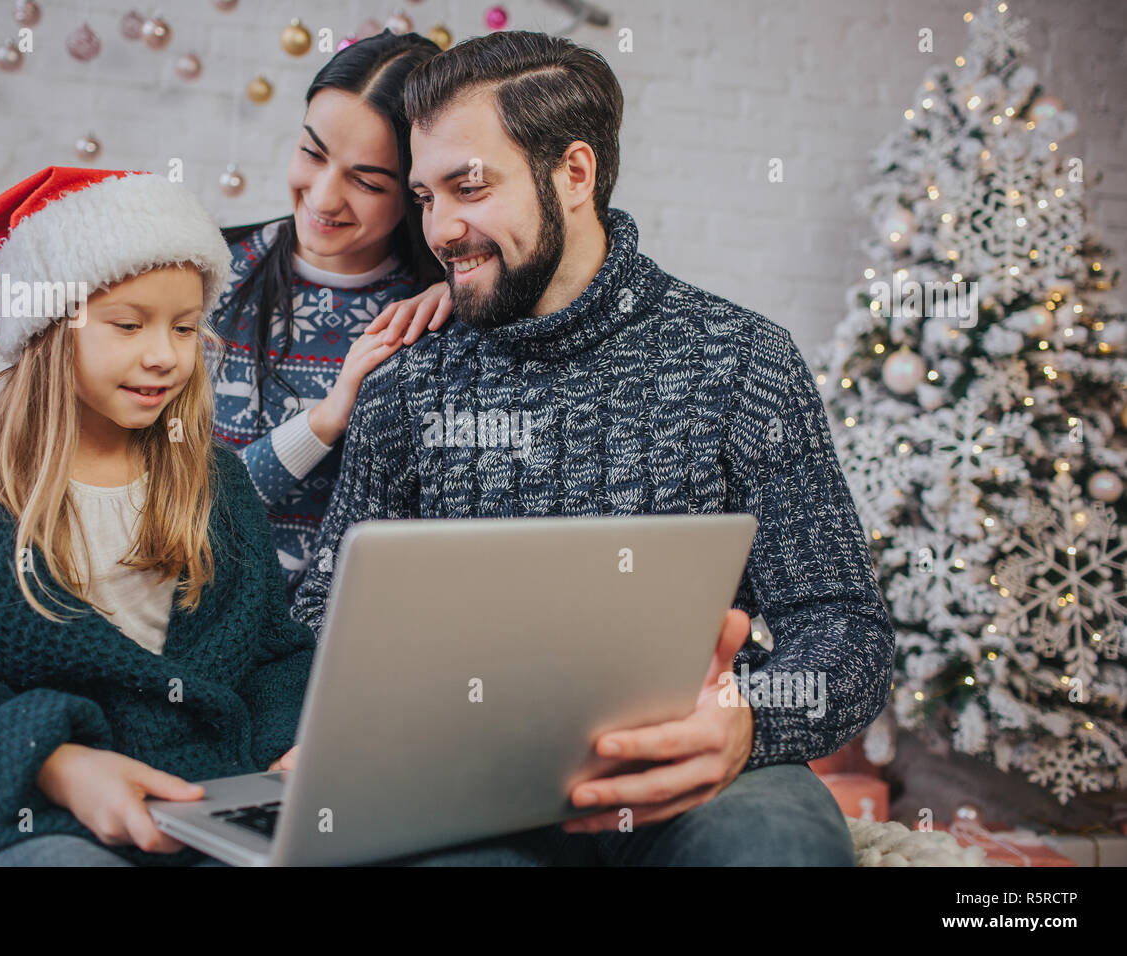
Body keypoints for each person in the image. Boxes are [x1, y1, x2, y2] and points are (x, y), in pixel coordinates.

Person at [290, 31, 896, 866]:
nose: (441, 229)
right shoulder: (407, 384)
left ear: (573, 173)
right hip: (462, 783)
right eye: (426, 196)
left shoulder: (740, 359)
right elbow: (322, 606)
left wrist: (750, 721)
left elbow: (843, 625)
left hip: (690, 777)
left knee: (774, 845)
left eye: (469, 187)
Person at [0, 166, 313, 867]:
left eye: (186, 327)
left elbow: (275, 658)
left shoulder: (216, 482)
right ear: (46, 331)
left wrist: (297, 746)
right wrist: (61, 766)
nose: (164, 356)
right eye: (127, 325)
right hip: (38, 819)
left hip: (211, 805)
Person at [212, 30, 454, 604]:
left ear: (418, 192)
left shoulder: (433, 316)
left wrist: (465, 290)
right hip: (193, 611)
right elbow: (174, 505)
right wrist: (325, 420)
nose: (322, 199)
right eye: (311, 154)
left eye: (367, 181)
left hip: (344, 642)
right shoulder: (209, 275)